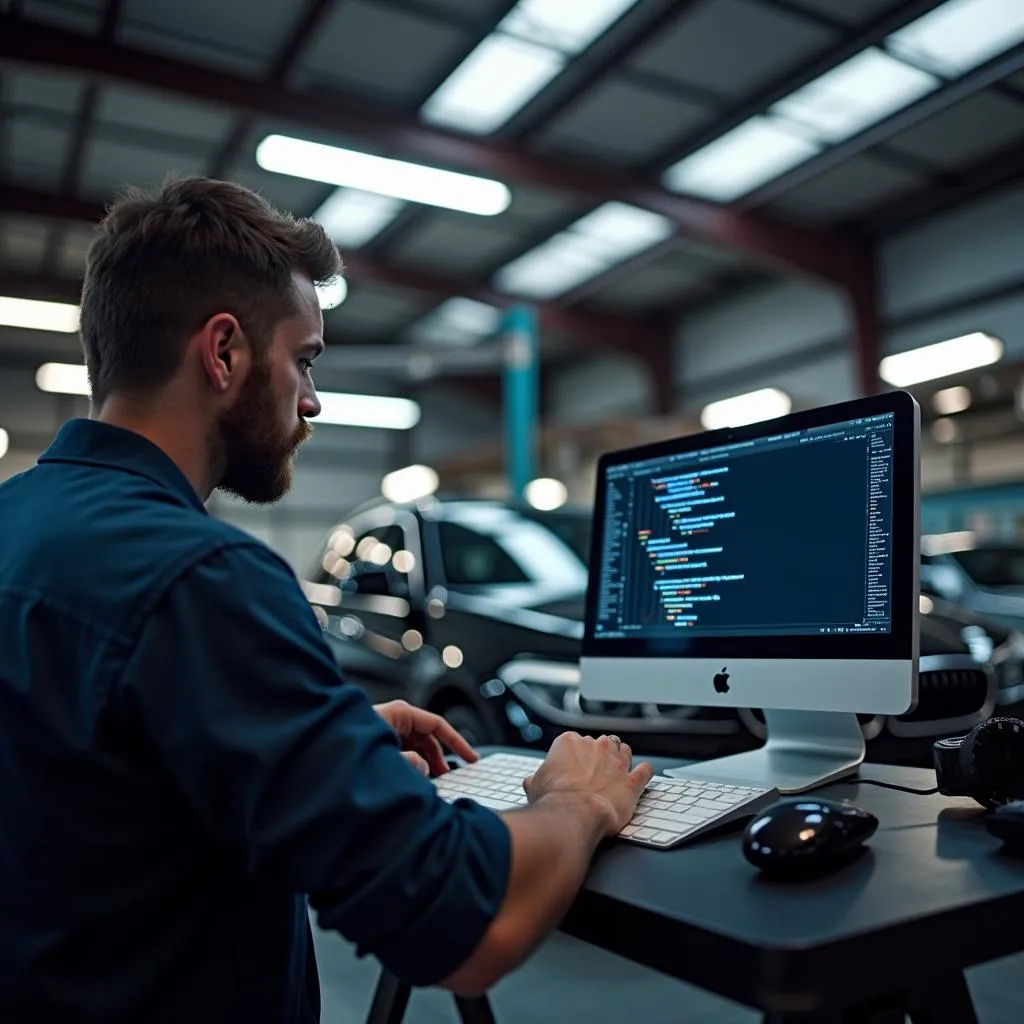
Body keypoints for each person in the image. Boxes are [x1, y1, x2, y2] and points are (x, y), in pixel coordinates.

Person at [0, 177, 653, 1023]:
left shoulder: (16, 523)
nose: (311, 400)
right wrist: (579, 799)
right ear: (225, 352)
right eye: (304, 360)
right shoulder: (202, 577)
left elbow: (83, 786)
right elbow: (463, 922)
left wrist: (309, 747)